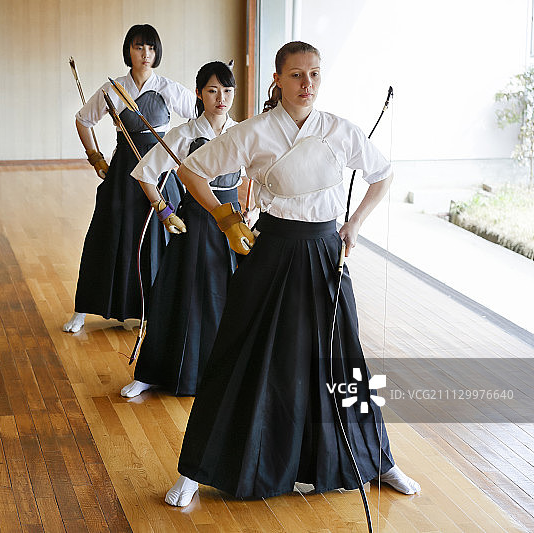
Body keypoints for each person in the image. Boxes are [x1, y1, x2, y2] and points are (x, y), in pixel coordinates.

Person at [164, 41, 420, 507]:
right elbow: (190, 170)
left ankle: (377, 459)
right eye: (297, 75)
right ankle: (195, 469)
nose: (307, 84)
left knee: (343, 356)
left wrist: (355, 223)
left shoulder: (338, 130)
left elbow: (382, 173)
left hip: (326, 252)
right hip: (271, 250)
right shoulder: (255, 132)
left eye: (315, 75)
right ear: (277, 80)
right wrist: (226, 220)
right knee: (240, 352)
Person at [121, 61, 247, 398]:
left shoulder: (242, 132)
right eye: (212, 90)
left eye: (227, 90)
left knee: (231, 300)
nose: (221, 97)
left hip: (233, 225)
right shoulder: (186, 133)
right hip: (196, 223)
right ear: (198, 93)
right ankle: (154, 371)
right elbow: (145, 173)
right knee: (181, 297)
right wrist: (163, 210)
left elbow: (256, 179)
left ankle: (226, 375)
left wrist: (252, 214)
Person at [63, 24, 196, 333]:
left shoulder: (168, 88)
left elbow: (198, 116)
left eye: (150, 48)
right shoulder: (113, 88)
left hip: (159, 171)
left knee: (158, 239)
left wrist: (182, 149)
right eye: (139, 47)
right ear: (129, 51)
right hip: (124, 171)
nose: (145, 54)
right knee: (107, 235)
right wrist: (95, 157)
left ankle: (155, 311)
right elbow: (83, 119)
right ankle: (84, 308)